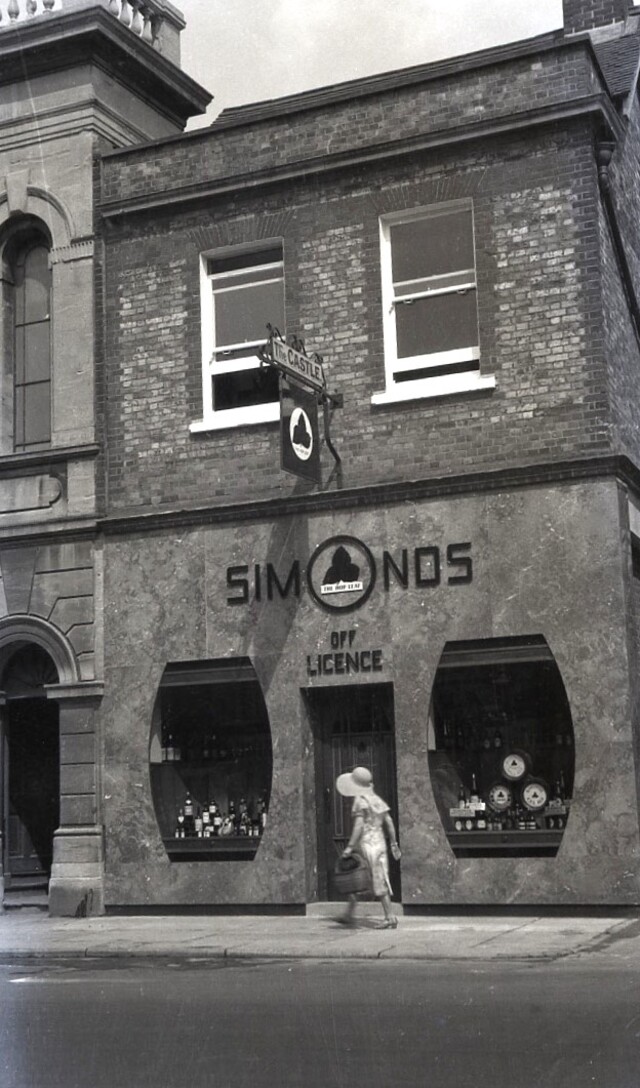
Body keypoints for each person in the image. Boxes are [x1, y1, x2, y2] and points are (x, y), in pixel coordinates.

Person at [336, 766, 401, 929]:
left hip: (365, 845)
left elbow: (359, 826)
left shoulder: (360, 801)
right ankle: (349, 914)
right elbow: (389, 822)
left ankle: (390, 916)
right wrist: (394, 843)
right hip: (379, 843)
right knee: (374, 877)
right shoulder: (376, 799)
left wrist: (350, 847)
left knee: (357, 875)